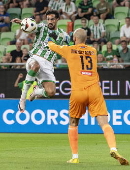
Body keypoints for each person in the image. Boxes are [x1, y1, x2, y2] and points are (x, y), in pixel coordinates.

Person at [48, 28, 129, 165]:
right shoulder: (93, 51)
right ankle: (113, 148)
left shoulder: (69, 50)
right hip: (94, 90)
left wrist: (52, 39)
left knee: (73, 123)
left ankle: (75, 157)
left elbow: (51, 45)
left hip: (78, 91)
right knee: (104, 123)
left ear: (74, 38)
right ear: (86, 39)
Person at [11, 10, 70, 112]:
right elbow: (32, 26)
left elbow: (72, 44)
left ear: (57, 19)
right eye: (48, 19)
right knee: (36, 66)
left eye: (52, 19)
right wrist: (22, 22)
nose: (49, 21)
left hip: (48, 66)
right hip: (35, 59)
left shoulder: (63, 35)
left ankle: (37, 91)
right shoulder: (42, 27)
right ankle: (22, 99)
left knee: (51, 93)